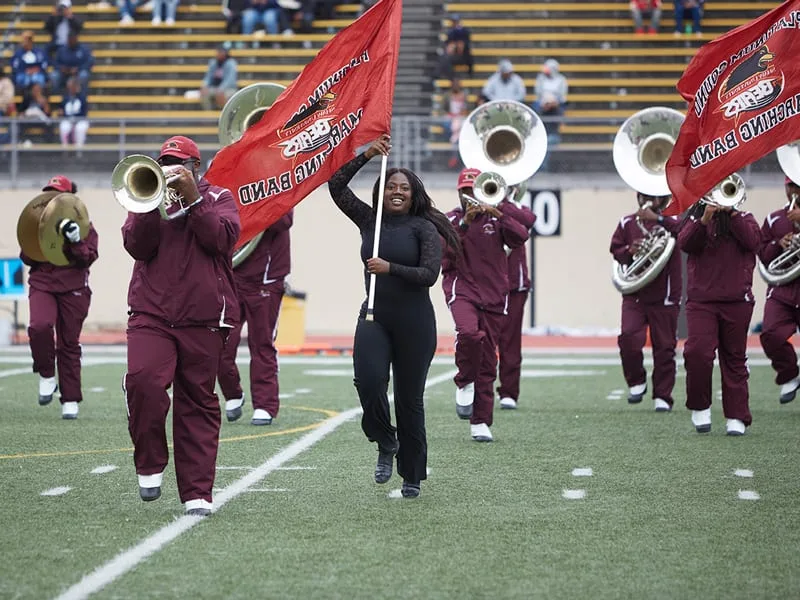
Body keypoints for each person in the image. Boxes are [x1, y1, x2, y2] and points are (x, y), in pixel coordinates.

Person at [327, 134, 461, 499]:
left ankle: (412, 475)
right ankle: (386, 441)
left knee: (408, 399)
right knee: (368, 383)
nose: (397, 191)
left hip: (415, 322)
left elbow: (429, 275)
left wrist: (390, 268)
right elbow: (335, 185)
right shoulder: (368, 219)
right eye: (391, 186)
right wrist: (368, 154)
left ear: (414, 195)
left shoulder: (425, 229)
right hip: (374, 315)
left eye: (404, 188)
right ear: (382, 192)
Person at [122, 135, 240, 516]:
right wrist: (148, 205)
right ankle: (150, 462)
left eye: (178, 163)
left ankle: (197, 493)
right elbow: (137, 247)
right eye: (165, 161)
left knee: (198, 403)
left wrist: (193, 199)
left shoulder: (220, 198)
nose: (170, 168)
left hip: (204, 318)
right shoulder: (148, 200)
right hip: (152, 314)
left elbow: (220, 239)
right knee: (144, 381)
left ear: (195, 168)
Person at [442, 168, 530, 442]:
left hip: (494, 293)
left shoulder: (495, 216)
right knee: (469, 334)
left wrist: (499, 213)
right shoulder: (451, 219)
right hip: (463, 289)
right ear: (459, 193)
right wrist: (466, 224)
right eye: (465, 191)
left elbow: (520, 236)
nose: (470, 196)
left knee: (489, 359)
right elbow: (445, 257)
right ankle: (464, 380)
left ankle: (481, 421)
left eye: (473, 190)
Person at [678, 196, 760, 435]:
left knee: (734, 358)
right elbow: (685, 243)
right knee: (697, 352)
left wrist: (732, 214)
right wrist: (704, 219)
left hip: (737, 301)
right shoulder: (695, 219)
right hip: (702, 301)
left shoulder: (745, 218)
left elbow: (753, 241)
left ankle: (736, 416)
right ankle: (700, 405)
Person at [21, 175, 98, 419]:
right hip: (43, 283)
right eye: (49, 194)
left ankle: (70, 399)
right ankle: (46, 373)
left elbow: (88, 258)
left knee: (68, 343)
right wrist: (41, 235)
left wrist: (74, 240)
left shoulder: (84, 225)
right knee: (39, 326)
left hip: (73, 287)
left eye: (57, 194)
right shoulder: (36, 222)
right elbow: (27, 256)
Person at [218, 209, 293, 426]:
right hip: (231, 277)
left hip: (266, 281)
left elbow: (284, 220)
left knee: (261, 344)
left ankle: (265, 405)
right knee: (221, 343)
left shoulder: (276, 187)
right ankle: (233, 393)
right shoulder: (226, 187)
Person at [609, 193, 682, 411]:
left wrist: (659, 219)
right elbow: (616, 250)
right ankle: (636, 381)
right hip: (635, 293)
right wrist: (630, 251)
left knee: (665, 347)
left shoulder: (673, 221)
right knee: (629, 338)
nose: (648, 199)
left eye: (653, 195)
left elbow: (684, 234)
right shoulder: (628, 222)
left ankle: (663, 396)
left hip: (665, 295)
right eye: (644, 194)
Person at [758, 176, 800, 404]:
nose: (793, 191)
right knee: (770, 334)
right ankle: (789, 374)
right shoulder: (774, 219)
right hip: (782, 290)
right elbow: (762, 254)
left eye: (797, 186)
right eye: (790, 186)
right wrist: (778, 245)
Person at [496, 190, 536, 410]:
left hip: (515, 285)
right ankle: (477, 389)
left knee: (510, 342)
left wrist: (501, 204)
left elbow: (529, 221)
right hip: (487, 283)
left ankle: (509, 392)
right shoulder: (479, 205)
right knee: (482, 340)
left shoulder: (516, 208)